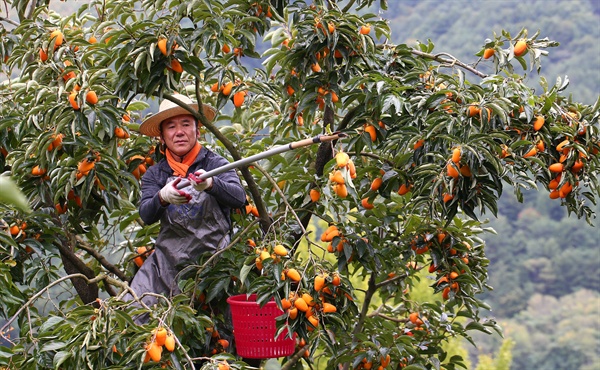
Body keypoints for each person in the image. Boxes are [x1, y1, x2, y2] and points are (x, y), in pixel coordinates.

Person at [127, 93, 246, 314]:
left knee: (217, 333)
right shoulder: (156, 174)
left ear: (197, 130)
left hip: (212, 267)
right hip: (165, 267)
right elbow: (146, 214)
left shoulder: (215, 163)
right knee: (134, 310)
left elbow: (239, 198)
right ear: (162, 137)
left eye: (185, 124)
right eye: (171, 127)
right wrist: (162, 197)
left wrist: (212, 184)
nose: (179, 132)